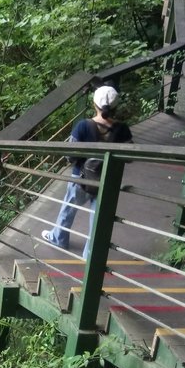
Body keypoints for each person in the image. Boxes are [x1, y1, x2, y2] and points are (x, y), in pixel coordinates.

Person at [41, 85, 132, 258]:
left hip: (81, 178)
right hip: (108, 182)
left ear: (94, 104)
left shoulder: (83, 126)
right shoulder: (123, 130)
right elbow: (129, 156)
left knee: (69, 208)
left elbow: (70, 155)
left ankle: (59, 238)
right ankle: (90, 255)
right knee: (98, 220)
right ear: (115, 107)